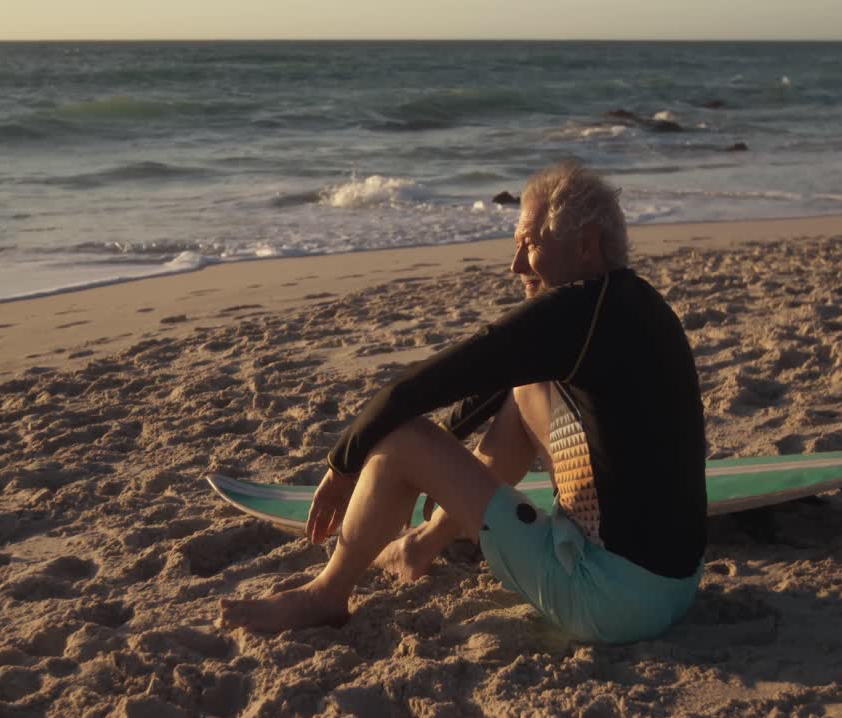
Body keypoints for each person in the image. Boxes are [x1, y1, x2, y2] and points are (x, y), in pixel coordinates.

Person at [219, 161, 707, 643]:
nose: (516, 265)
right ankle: (421, 545)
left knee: (402, 438)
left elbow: (414, 389)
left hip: (610, 601)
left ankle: (325, 595)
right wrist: (440, 461)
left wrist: (343, 464)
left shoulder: (576, 312)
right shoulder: (635, 303)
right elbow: (493, 383)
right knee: (524, 392)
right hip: (675, 587)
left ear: (586, 245)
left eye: (530, 244)